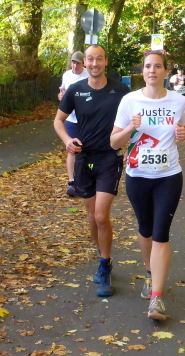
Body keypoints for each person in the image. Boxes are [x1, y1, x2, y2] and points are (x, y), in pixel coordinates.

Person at [110, 51, 185, 320]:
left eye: (157, 66)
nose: (152, 70)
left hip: (169, 176)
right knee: (145, 229)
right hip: (138, 176)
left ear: (166, 71)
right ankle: (149, 272)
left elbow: (183, 130)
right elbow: (114, 142)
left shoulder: (178, 101)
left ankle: (156, 298)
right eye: (147, 66)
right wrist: (129, 129)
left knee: (160, 232)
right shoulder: (129, 101)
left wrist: (184, 133)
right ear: (142, 71)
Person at [53, 45, 130, 297]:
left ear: (106, 61)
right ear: (84, 63)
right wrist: (67, 140)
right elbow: (58, 120)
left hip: (109, 158)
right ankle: (103, 257)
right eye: (90, 59)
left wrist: (130, 142)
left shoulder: (121, 90)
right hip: (84, 159)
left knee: (100, 215)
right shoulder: (76, 90)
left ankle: (105, 266)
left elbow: (136, 119)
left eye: (99, 59)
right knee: (91, 216)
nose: (94, 63)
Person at [58, 51, 89, 197]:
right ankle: (72, 182)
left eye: (78, 63)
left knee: (86, 149)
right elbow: (61, 93)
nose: (75, 66)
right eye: (73, 62)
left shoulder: (89, 75)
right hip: (71, 118)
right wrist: (61, 96)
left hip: (86, 119)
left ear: (83, 63)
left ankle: (86, 178)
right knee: (72, 148)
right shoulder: (67, 75)